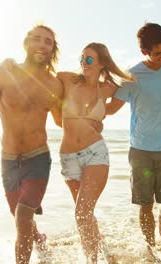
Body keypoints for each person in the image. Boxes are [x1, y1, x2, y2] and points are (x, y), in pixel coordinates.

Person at [0, 25, 63, 264]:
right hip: (8, 160)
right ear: (26, 43)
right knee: (19, 217)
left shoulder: (54, 84)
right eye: (37, 39)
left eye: (47, 41)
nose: (41, 44)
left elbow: (62, 120)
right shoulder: (3, 73)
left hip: (38, 157)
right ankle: (39, 239)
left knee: (23, 216)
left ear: (52, 49)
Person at [106, 22, 161, 248]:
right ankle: (151, 251)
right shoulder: (132, 75)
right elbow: (111, 108)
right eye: (158, 53)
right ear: (144, 52)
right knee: (145, 204)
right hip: (141, 151)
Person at [54, 42, 133, 263]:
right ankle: (105, 252)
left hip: (95, 153)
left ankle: (92, 261)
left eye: (89, 59)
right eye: (81, 58)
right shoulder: (67, 78)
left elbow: (135, 89)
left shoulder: (108, 87)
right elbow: (41, 81)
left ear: (101, 63)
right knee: (85, 213)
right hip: (68, 158)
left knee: (81, 212)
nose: (83, 63)